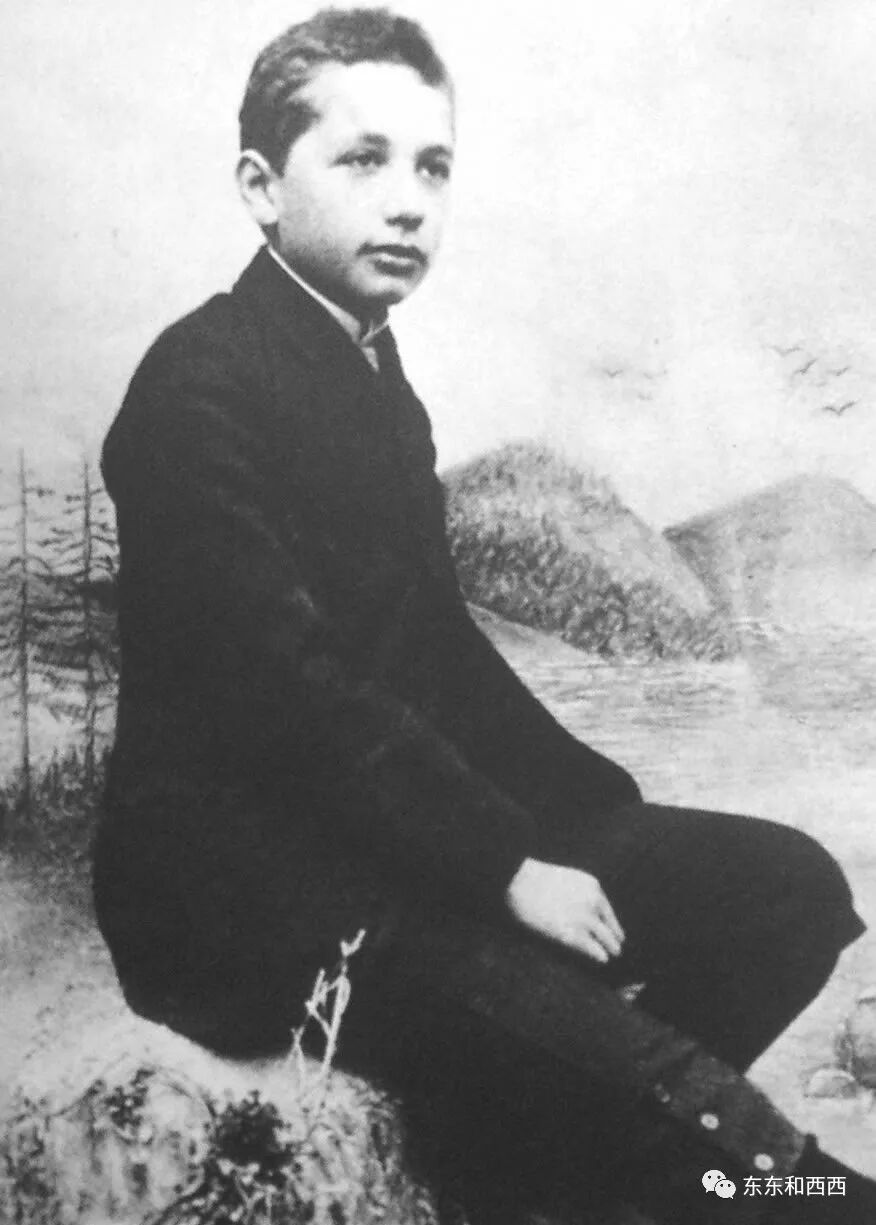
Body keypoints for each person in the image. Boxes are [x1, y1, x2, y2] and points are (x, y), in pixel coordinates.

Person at [93, 9, 874, 1223]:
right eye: (364, 160)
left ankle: (544, 1160)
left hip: (390, 840)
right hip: (244, 894)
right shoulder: (197, 388)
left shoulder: (377, 382)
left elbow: (433, 654)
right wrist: (507, 865)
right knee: (705, 1118)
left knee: (785, 891)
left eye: (433, 167)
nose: (408, 203)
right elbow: (289, 692)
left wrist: (593, 821)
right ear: (260, 186)